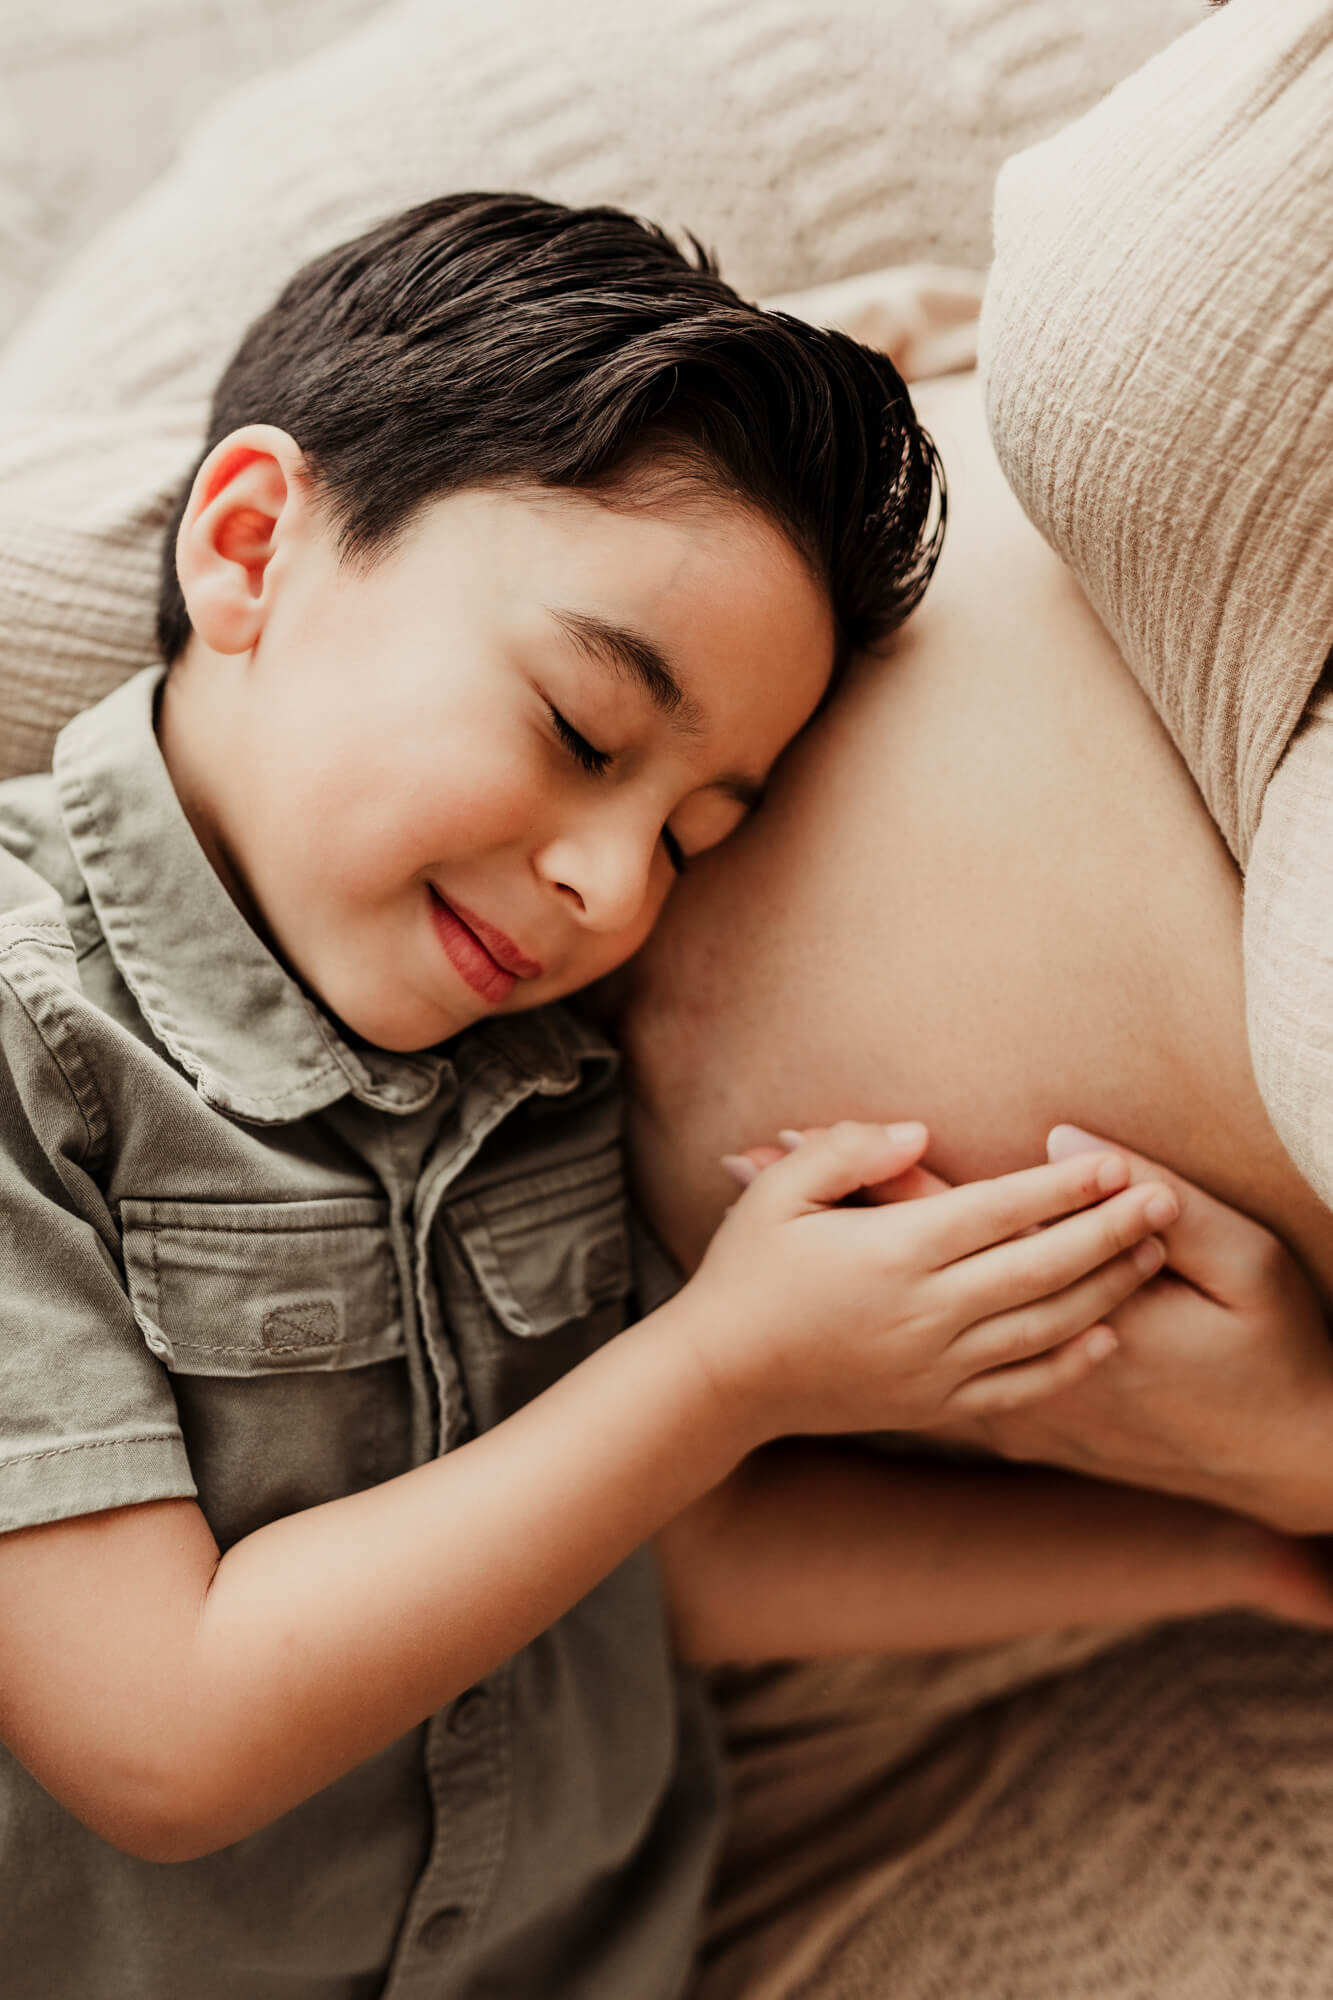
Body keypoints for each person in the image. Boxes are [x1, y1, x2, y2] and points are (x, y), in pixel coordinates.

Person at [0, 192, 1325, 2000]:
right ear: (249, 547)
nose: (616, 894)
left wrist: (1222, 1547)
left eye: (700, 834)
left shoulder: (535, 1063)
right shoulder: (33, 1049)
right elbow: (162, 1734)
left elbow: (636, 1581)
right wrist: (724, 1369)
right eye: (579, 735)